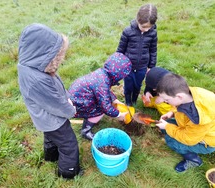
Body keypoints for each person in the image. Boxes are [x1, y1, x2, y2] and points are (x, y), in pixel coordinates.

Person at [17, 23, 82, 179]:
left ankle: (51, 156)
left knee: (51, 137)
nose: (60, 60)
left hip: (44, 119)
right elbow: (55, 104)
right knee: (69, 144)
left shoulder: (33, 66)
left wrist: (66, 96)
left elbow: (54, 90)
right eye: (57, 56)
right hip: (53, 120)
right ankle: (68, 172)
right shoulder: (38, 80)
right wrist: (70, 110)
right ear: (44, 54)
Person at [155, 73, 215, 172]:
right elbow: (178, 105)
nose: (165, 102)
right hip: (195, 130)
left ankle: (193, 160)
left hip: (206, 143)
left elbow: (188, 139)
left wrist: (167, 127)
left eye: (167, 99)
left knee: (171, 140)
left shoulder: (198, 119)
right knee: (168, 122)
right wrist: (172, 112)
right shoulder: (189, 93)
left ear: (179, 97)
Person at [68, 52, 132, 140]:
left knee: (104, 101)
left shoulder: (102, 74)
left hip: (77, 96)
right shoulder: (102, 83)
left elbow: (105, 92)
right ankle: (86, 130)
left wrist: (114, 100)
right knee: (100, 110)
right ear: (118, 75)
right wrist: (118, 114)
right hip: (77, 103)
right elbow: (106, 108)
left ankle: (91, 119)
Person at [117, 4, 158, 106]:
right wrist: (118, 63)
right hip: (128, 66)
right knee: (128, 85)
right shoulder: (128, 31)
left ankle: (134, 99)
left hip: (142, 66)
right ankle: (128, 101)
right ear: (138, 20)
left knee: (137, 85)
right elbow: (120, 49)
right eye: (144, 27)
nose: (146, 30)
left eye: (149, 27)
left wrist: (151, 67)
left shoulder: (153, 33)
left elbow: (153, 50)